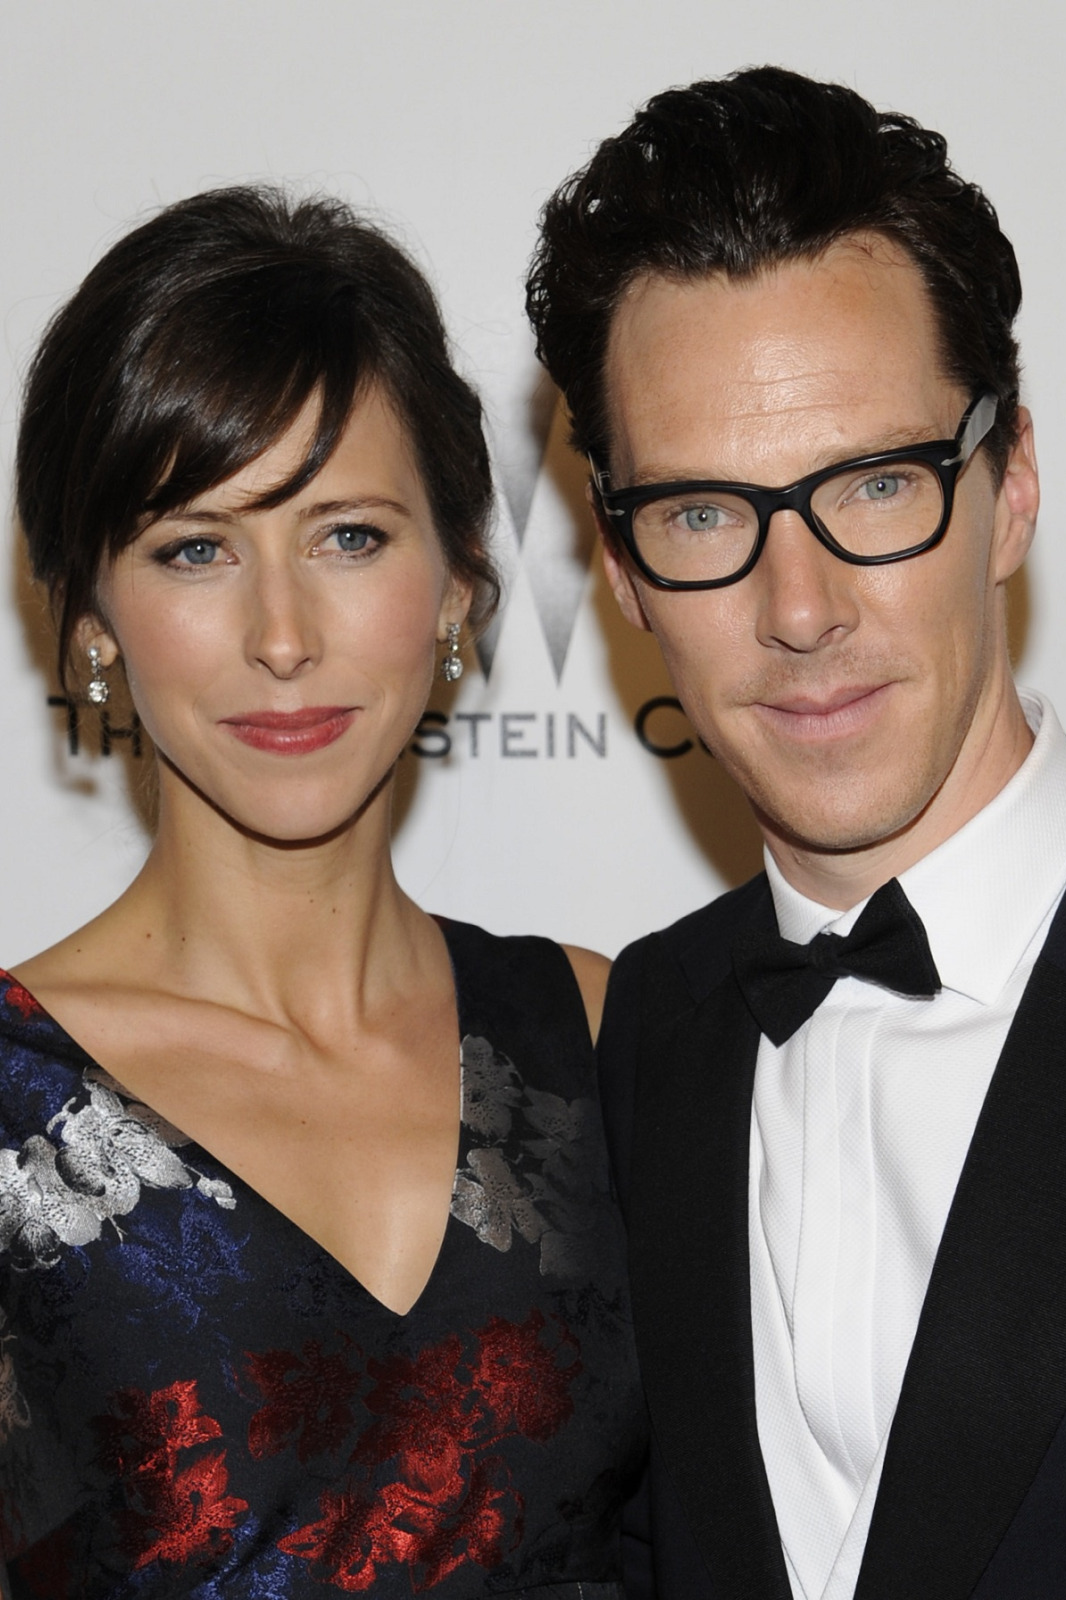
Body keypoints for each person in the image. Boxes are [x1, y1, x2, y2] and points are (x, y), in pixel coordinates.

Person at [526, 65, 1066, 1600]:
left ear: (1011, 488)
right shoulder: (632, 1047)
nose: (801, 609)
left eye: (878, 485)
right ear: (620, 570)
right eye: (704, 513)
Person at [0, 186, 645, 1598]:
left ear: (459, 584)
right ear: (93, 624)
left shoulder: (599, 1038)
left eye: (348, 535)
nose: (283, 637)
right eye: (195, 549)